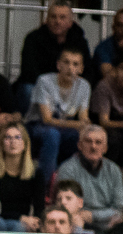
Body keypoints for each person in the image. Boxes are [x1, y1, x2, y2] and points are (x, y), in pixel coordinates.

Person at [26, 44, 91, 185]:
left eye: (75, 64)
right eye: (66, 62)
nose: (70, 68)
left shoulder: (84, 86)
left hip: (64, 127)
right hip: (36, 126)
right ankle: (45, 185)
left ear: (81, 69)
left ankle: (73, 183)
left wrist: (86, 128)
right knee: (52, 134)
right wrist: (78, 124)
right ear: (58, 65)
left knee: (84, 137)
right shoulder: (45, 81)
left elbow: (84, 118)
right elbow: (47, 119)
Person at [18, 0, 93, 113]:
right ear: (46, 20)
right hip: (40, 87)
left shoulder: (80, 42)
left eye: (62, 17)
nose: (57, 21)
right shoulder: (33, 39)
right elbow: (28, 71)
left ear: (70, 22)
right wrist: (52, 87)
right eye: (53, 17)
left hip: (68, 87)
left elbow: (88, 71)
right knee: (27, 89)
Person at [57, 124, 123, 231]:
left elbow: (120, 209)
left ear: (105, 148)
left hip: (111, 226)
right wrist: (106, 215)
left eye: (98, 142)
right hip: (80, 225)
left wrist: (93, 215)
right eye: (88, 141)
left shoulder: (114, 170)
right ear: (79, 145)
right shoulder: (67, 169)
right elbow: (68, 207)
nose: (93, 147)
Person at [0, 122, 48, 231]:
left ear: (25, 144)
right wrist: (20, 218)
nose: (12, 141)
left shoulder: (35, 173)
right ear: (1, 144)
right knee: (9, 225)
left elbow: (39, 207)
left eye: (17, 137)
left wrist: (34, 222)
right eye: (8, 137)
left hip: (25, 224)